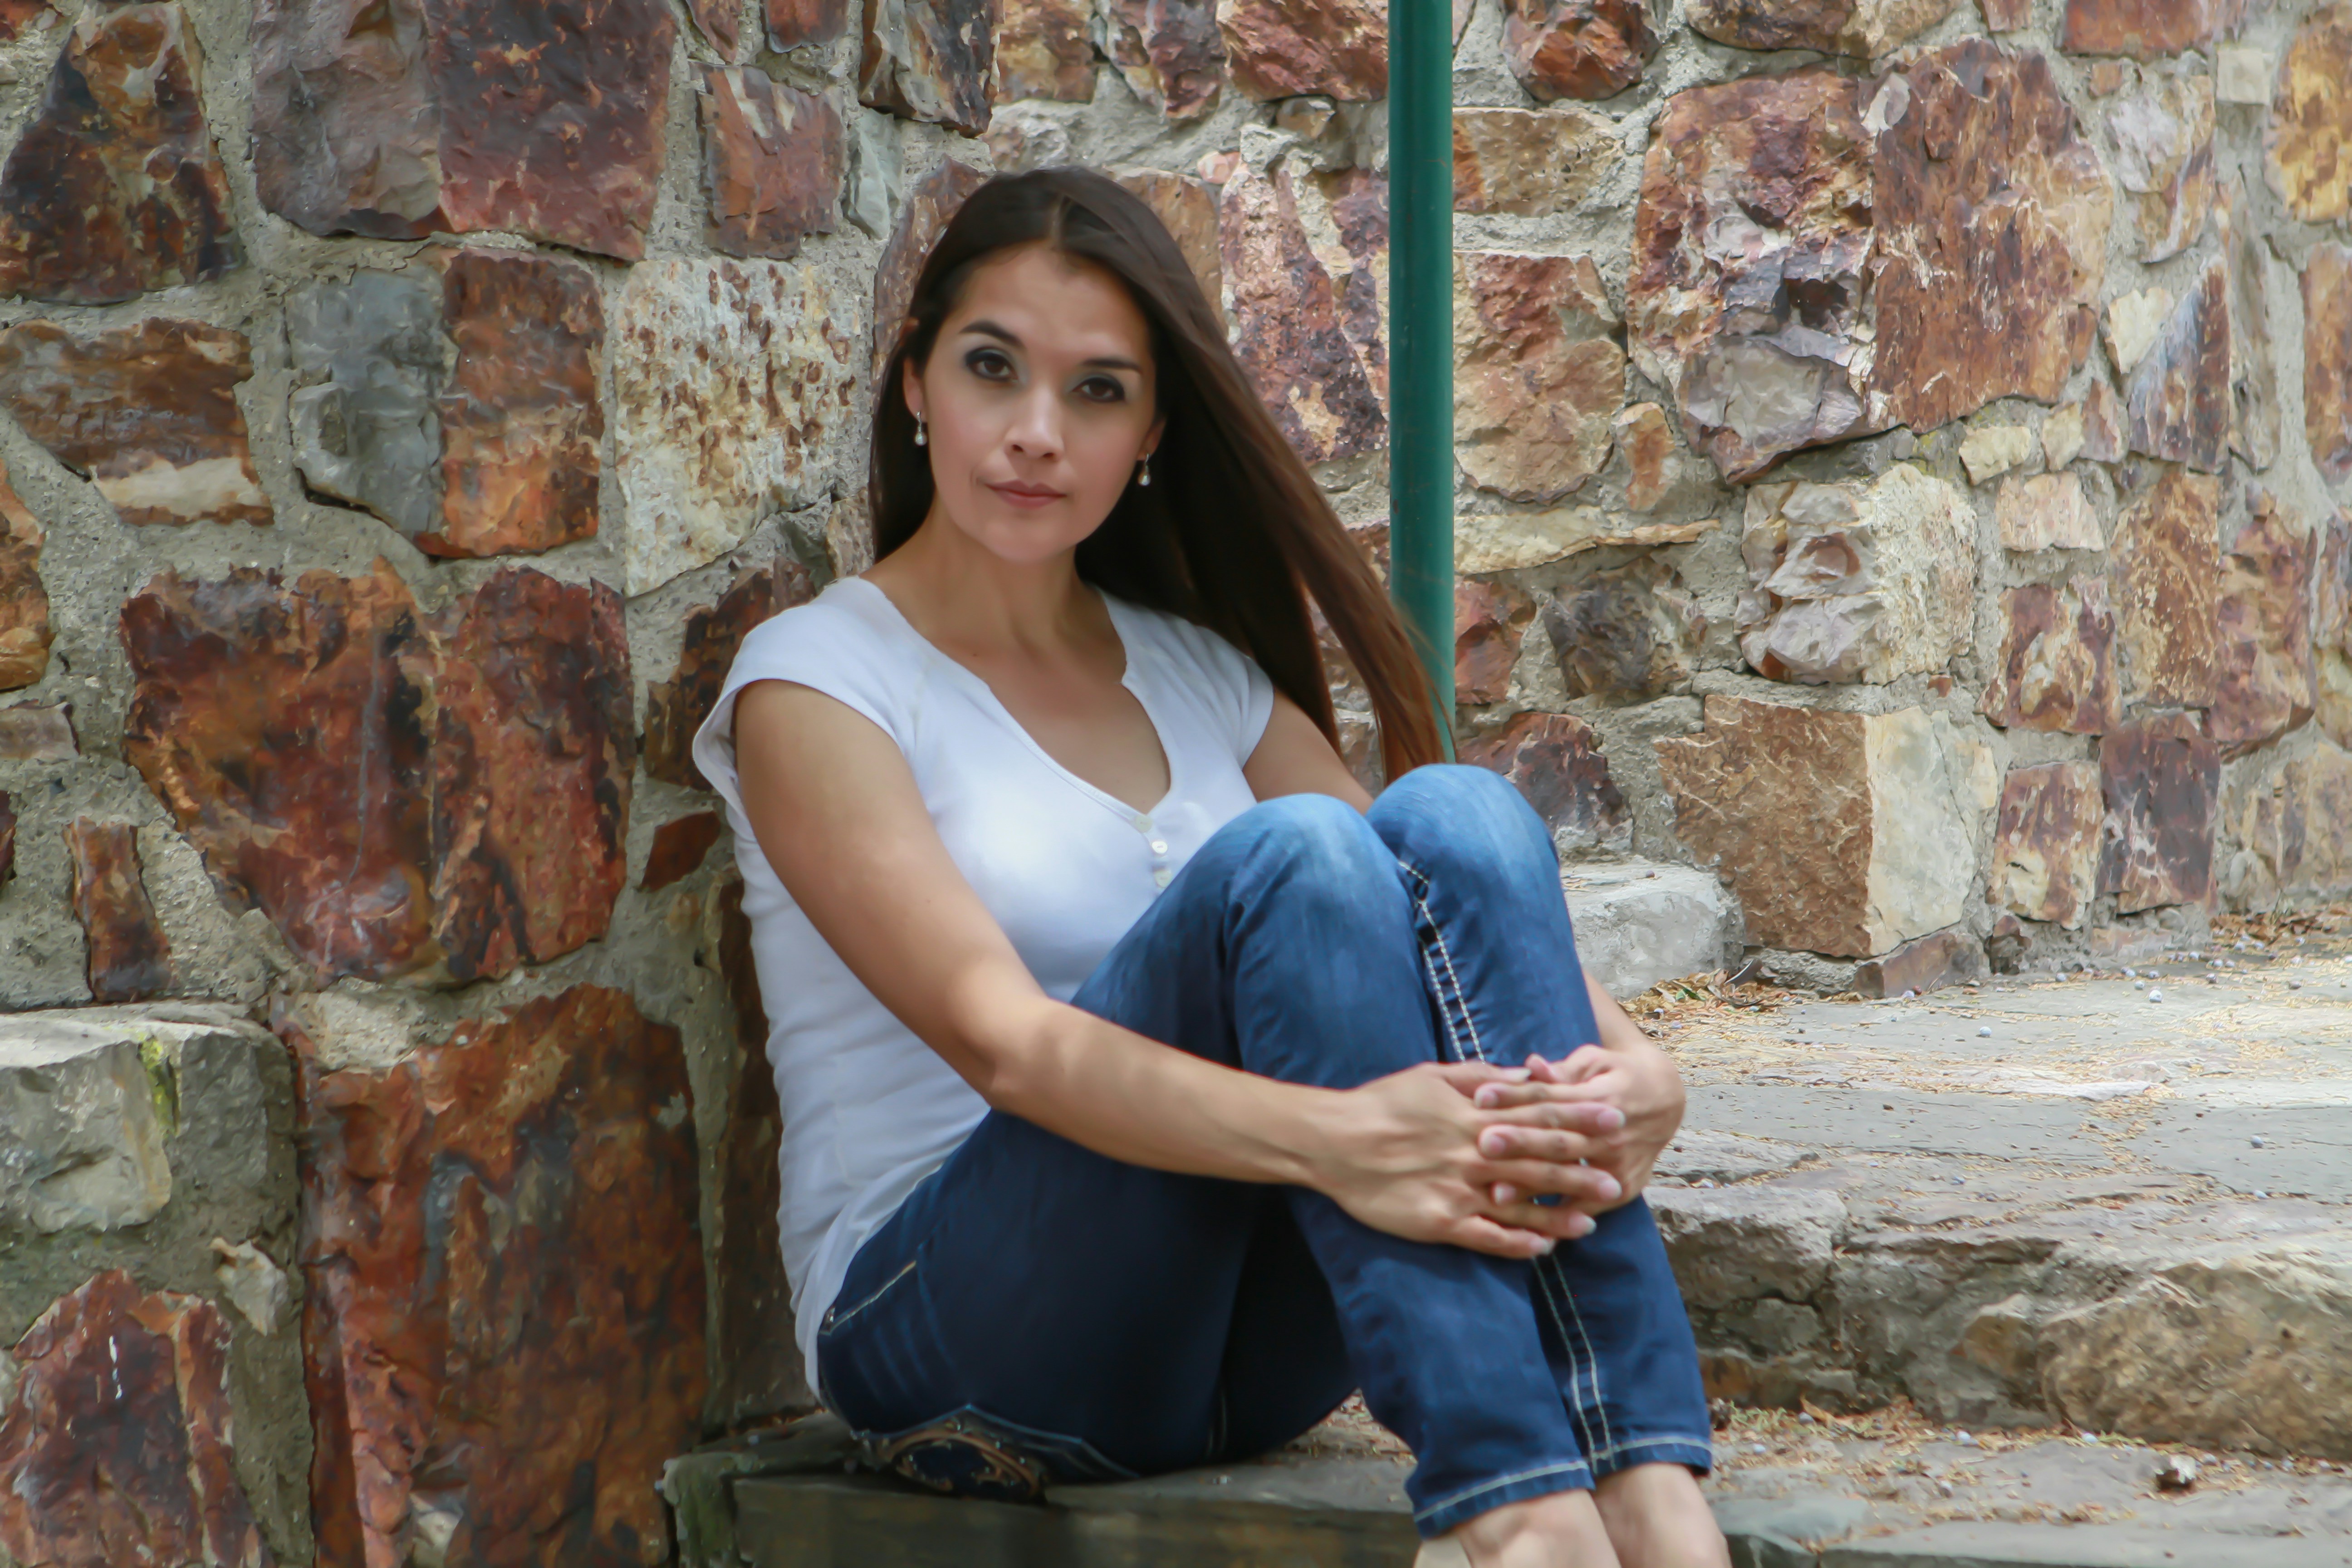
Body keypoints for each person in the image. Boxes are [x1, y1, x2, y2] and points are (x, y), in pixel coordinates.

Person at [692, 166, 1729, 1568]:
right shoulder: (821, 680)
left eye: (1099, 392)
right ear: (917, 381)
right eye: (994, 368)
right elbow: (1010, 1049)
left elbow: (1443, 917)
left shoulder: (1199, 674)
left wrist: (1635, 1068)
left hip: (1239, 1353)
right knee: (1296, 854)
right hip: (953, 1333)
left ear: (1154, 434)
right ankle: (1517, 1515)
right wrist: (1346, 1143)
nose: (1037, 433)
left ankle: (1651, 1485)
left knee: (1459, 817)